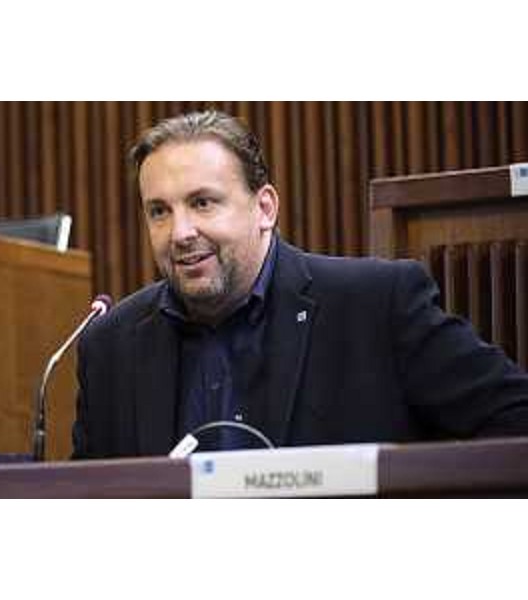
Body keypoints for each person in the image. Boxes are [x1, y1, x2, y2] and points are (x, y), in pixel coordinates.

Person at [72, 110, 528, 459]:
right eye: (159, 211)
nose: (180, 232)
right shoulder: (110, 346)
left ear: (265, 208)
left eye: (203, 203)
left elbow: (513, 419)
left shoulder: (376, 305)